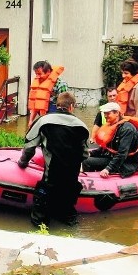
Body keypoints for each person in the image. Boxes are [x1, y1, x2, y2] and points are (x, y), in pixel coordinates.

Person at [17, 92, 89, 227]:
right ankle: (68, 218)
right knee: (68, 215)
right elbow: (84, 155)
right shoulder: (83, 127)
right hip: (71, 181)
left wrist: (23, 162)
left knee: (40, 220)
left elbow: (29, 147)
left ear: (57, 105)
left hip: (51, 179)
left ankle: (41, 223)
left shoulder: (43, 121)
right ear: (72, 107)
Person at [82, 102, 138, 178]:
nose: (105, 116)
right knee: (85, 158)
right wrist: (91, 153)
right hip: (110, 157)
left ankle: (92, 180)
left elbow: (122, 153)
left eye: (108, 113)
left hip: (125, 163)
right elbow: (106, 148)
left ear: (117, 113)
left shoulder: (127, 129)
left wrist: (108, 169)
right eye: (105, 113)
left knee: (86, 162)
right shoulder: (111, 126)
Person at [27, 61, 65, 127]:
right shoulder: (38, 83)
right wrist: (31, 121)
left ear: (48, 71)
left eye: (39, 74)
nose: (37, 77)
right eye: (36, 74)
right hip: (43, 112)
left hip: (55, 112)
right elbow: (35, 102)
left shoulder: (61, 84)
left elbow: (64, 106)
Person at [117, 59, 138, 125]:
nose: (123, 76)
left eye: (126, 73)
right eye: (122, 73)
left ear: (134, 74)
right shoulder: (127, 86)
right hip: (128, 122)